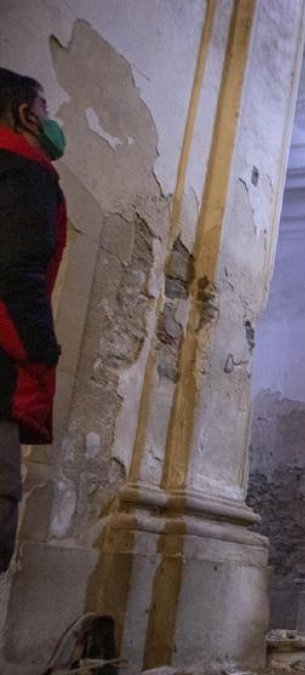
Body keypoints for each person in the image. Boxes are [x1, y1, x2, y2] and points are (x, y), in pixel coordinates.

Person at [0, 68, 68, 574]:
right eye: (44, 109)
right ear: (25, 113)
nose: (49, 121)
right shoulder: (25, 171)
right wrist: (41, 353)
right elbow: (18, 267)